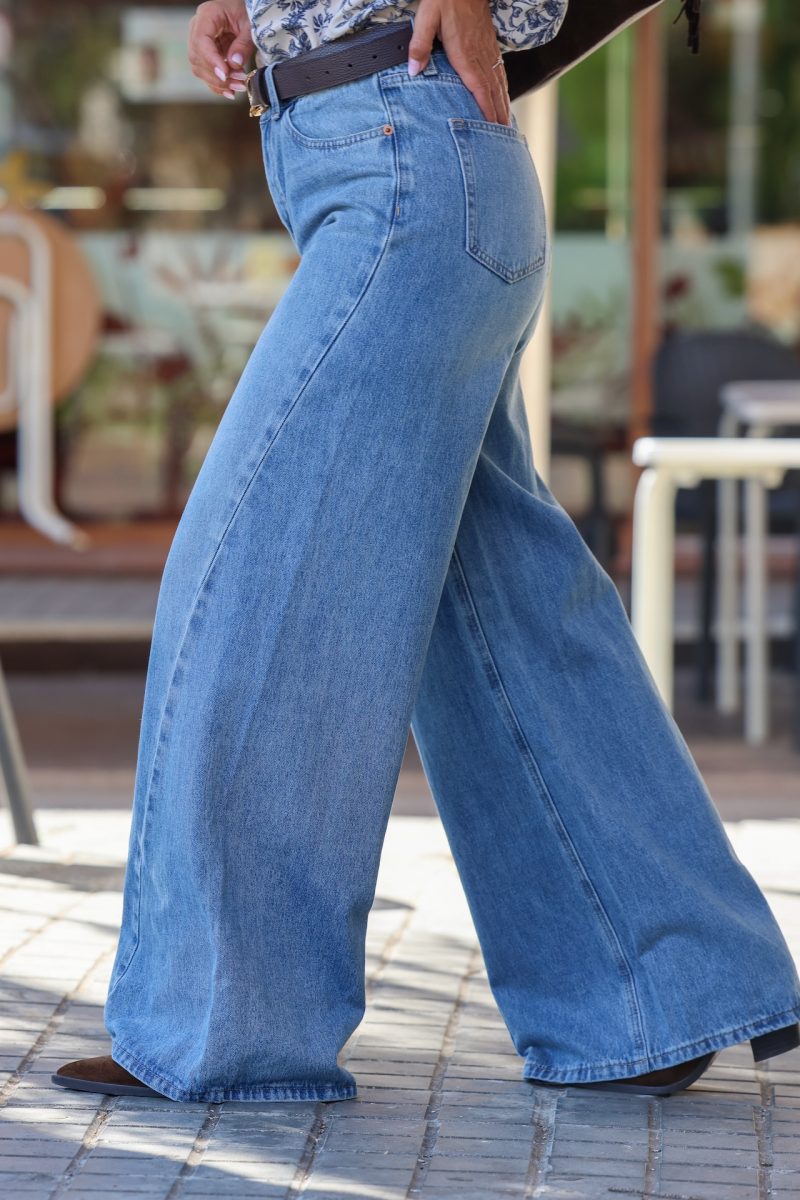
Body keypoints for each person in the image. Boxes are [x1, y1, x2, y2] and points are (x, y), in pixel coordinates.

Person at [53, 0, 800, 1102]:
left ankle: (224, 1020)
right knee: (495, 608)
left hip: (402, 167)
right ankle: (649, 991)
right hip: (380, 163)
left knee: (252, 573)